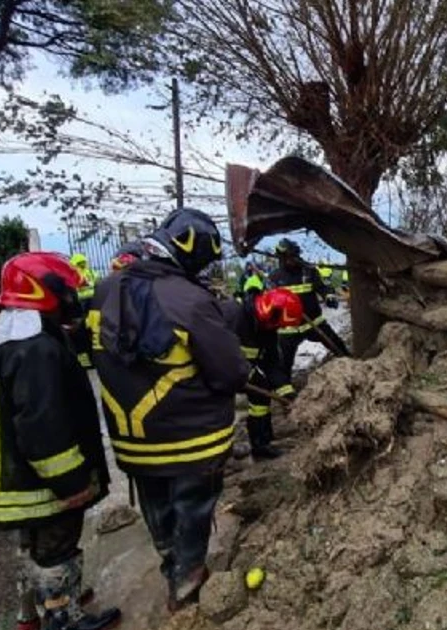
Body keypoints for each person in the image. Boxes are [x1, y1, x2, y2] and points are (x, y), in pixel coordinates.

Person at [87, 207, 249, 610]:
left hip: (132, 438)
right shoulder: (191, 300)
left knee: (157, 505)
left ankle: (170, 564)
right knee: (193, 508)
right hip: (194, 437)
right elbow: (230, 373)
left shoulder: (105, 290)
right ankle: (189, 582)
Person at [0, 252, 120, 630]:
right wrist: (71, 483)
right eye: (67, 288)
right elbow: (43, 424)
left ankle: (35, 610)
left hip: (14, 474)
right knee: (56, 548)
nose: (74, 296)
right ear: (44, 290)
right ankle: (63, 616)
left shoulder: (6, 338)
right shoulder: (36, 348)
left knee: (32, 545)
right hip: (42, 479)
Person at [224, 280, 299, 460]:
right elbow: (219, 353)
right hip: (215, 369)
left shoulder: (267, 328)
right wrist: (246, 373)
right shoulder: (232, 316)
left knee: (261, 393)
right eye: (280, 324)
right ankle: (219, 452)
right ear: (270, 315)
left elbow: (272, 363)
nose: (280, 328)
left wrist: (287, 394)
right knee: (217, 408)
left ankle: (261, 445)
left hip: (242, 369)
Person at [268, 238, 350, 373]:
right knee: (283, 365)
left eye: (294, 256)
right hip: (289, 330)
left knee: (337, 345)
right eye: (289, 257)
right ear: (281, 258)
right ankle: (285, 390)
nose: (293, 260)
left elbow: (323, 287)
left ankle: (352, 366)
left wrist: (329, 297)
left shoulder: (308, 271)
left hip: (313, 322)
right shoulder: (274, 278)